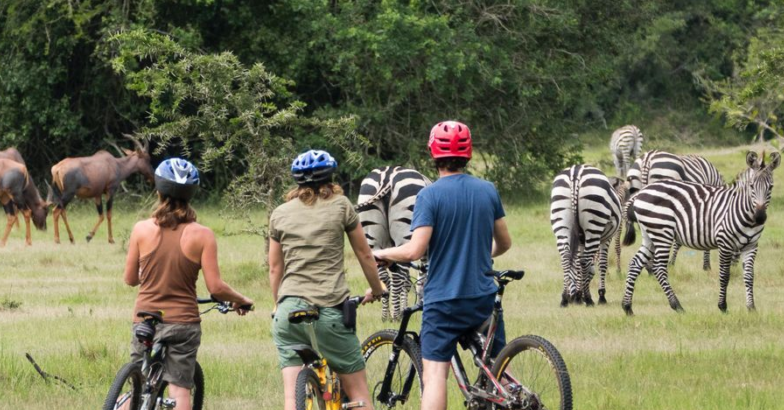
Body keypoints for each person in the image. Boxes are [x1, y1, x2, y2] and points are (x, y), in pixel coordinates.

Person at [371, 121, 513, 410]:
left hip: (444, 300)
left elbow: (414, 250)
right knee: (498, 367)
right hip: (483, 298)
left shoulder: (429, 195)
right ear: (468, 154)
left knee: (435, 374)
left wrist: (383, 253)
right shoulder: (487, 190)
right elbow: (505, 243)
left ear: (432, 154)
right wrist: (481, 257)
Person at [123, 157, 254, 410]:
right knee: (180, 388)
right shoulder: (203, 235)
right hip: (183, 323)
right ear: (192, 194)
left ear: (158, 190)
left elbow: (130, 280)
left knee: (137, 386)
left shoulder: (141, 229)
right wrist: (241, 299)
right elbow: (215, 288)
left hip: (145, 320)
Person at [269, 149, 385, 410]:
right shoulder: (341, 206)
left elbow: (275, 268)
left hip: (288, 312)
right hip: (329, 310)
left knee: (291, 398)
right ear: (331, 178)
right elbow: (365, 254)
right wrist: (377, 288)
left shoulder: (279, 213)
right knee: (359, 394)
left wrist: (277, 304)